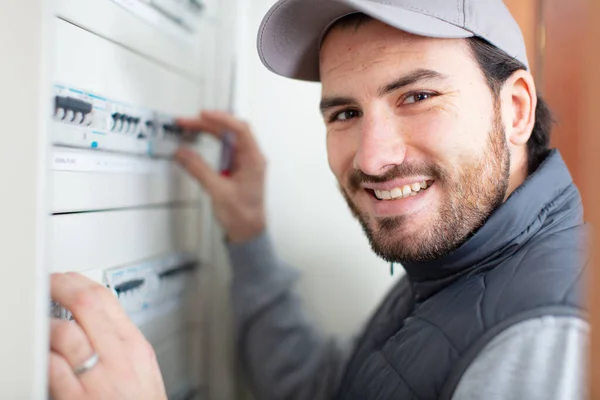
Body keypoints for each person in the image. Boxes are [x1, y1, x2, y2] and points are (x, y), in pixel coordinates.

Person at [48, 0, 589, 399]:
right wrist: (248, 231)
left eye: (417, 96)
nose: (373, 158)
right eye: (345, 114)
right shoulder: (454, 267)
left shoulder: (543, 338)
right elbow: (323, 390)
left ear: (515, 109)